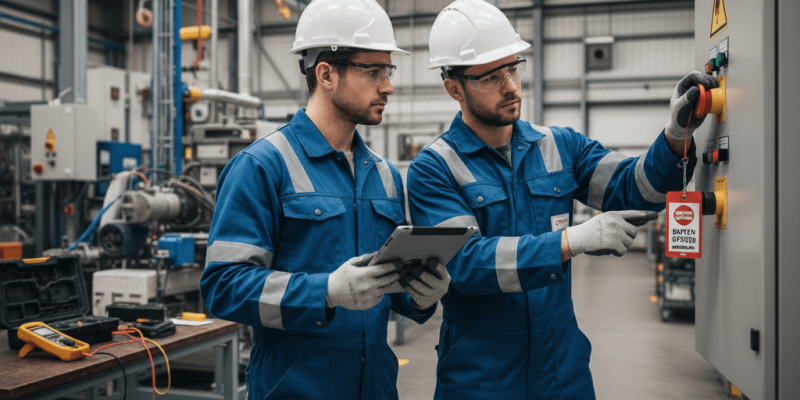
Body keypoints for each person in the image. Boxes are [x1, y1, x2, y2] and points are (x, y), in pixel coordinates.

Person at [406, 1, 717, 399]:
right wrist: (572, 241)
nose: (511, 86)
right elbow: (467, 263)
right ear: (455, 88)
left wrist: (676, 134)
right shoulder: (434, 168)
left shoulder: (560, 145)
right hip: (478, 374)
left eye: (513, 68)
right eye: (490, 77)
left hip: (561, 368)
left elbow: (637, 188)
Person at [200, 1, 450, 399]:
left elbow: (380, 286)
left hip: (377, 385)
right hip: (295, 386)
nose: (387, 86)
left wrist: (419, 297)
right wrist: (326, 292)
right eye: (374, 71)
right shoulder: (262, 166)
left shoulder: (384, 174)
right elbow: (223, 287)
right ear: (326, 74)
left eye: (388, 71)